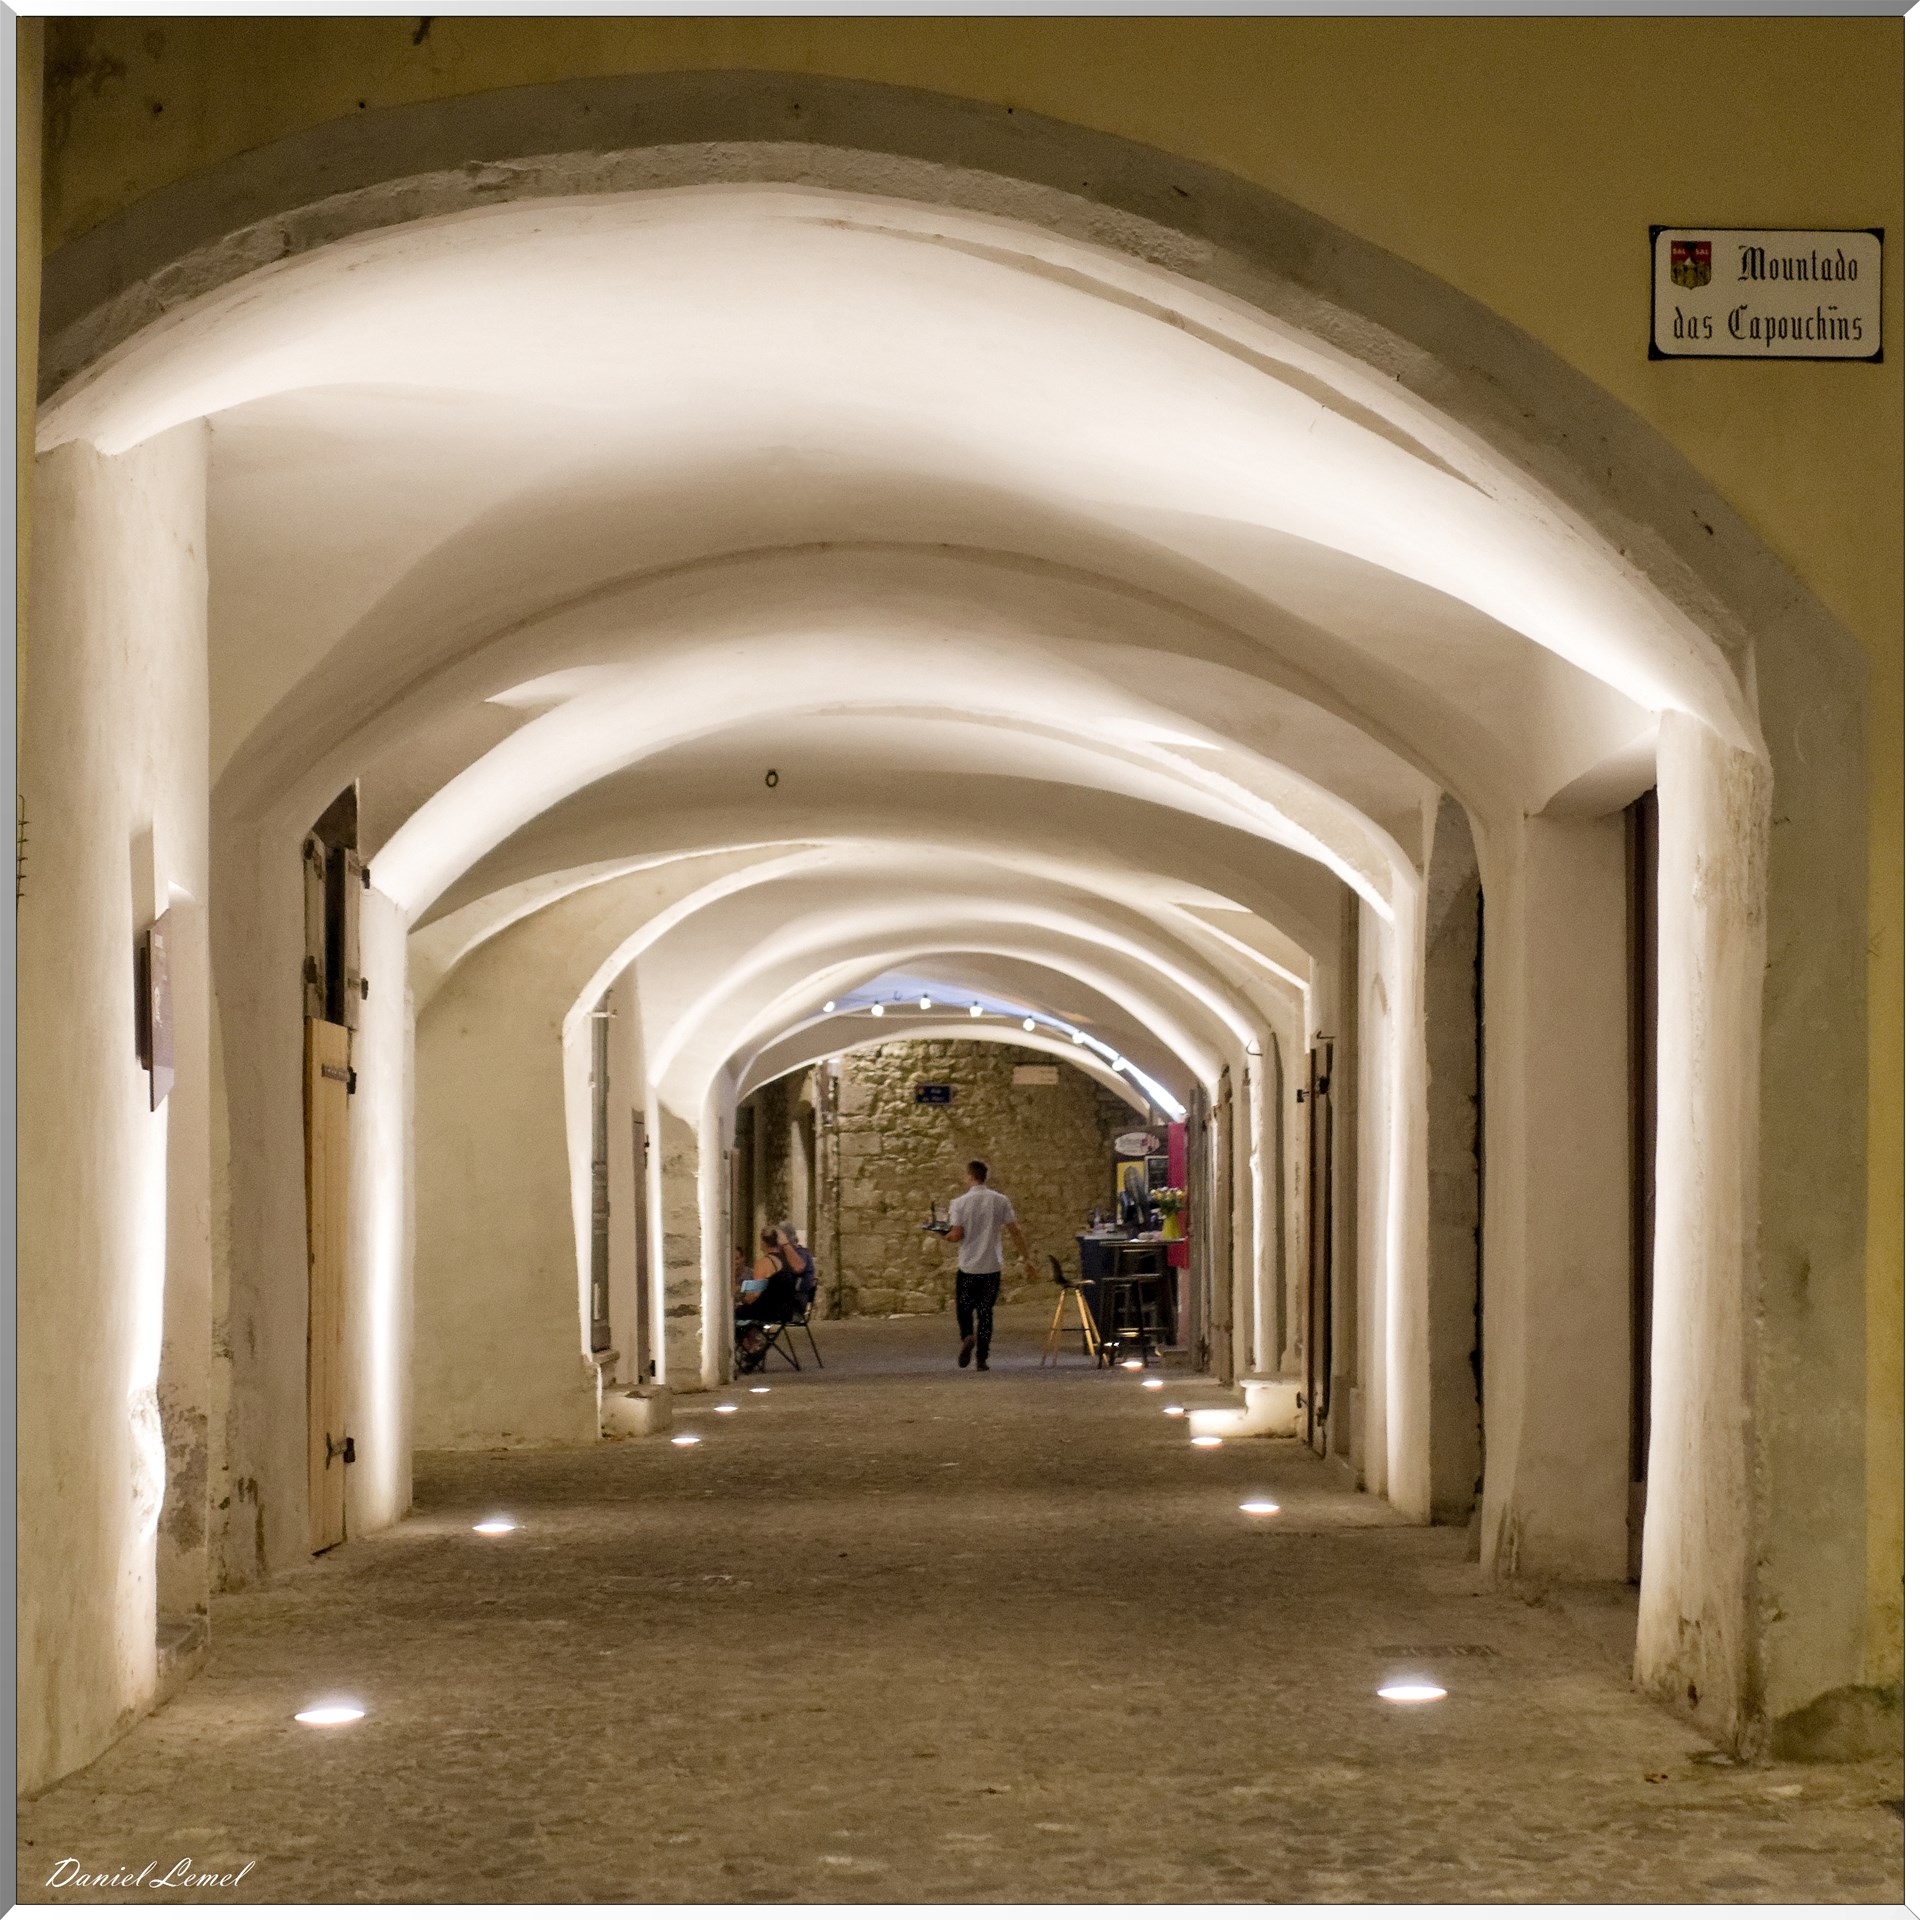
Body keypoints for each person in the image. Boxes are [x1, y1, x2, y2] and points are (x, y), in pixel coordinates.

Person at [942, 1159, 1030, 1371]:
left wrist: (942, 1234)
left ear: (970, 1176)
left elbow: (956, 1235)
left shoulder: (959, 1203)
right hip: (992, 1265)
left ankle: (967, 1336)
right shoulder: (1000, 1200)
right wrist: (1026, 1258)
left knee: (964, 1308)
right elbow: (1014, 1230)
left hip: (968, 1266)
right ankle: (982, 1359)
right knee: (986, 1313)